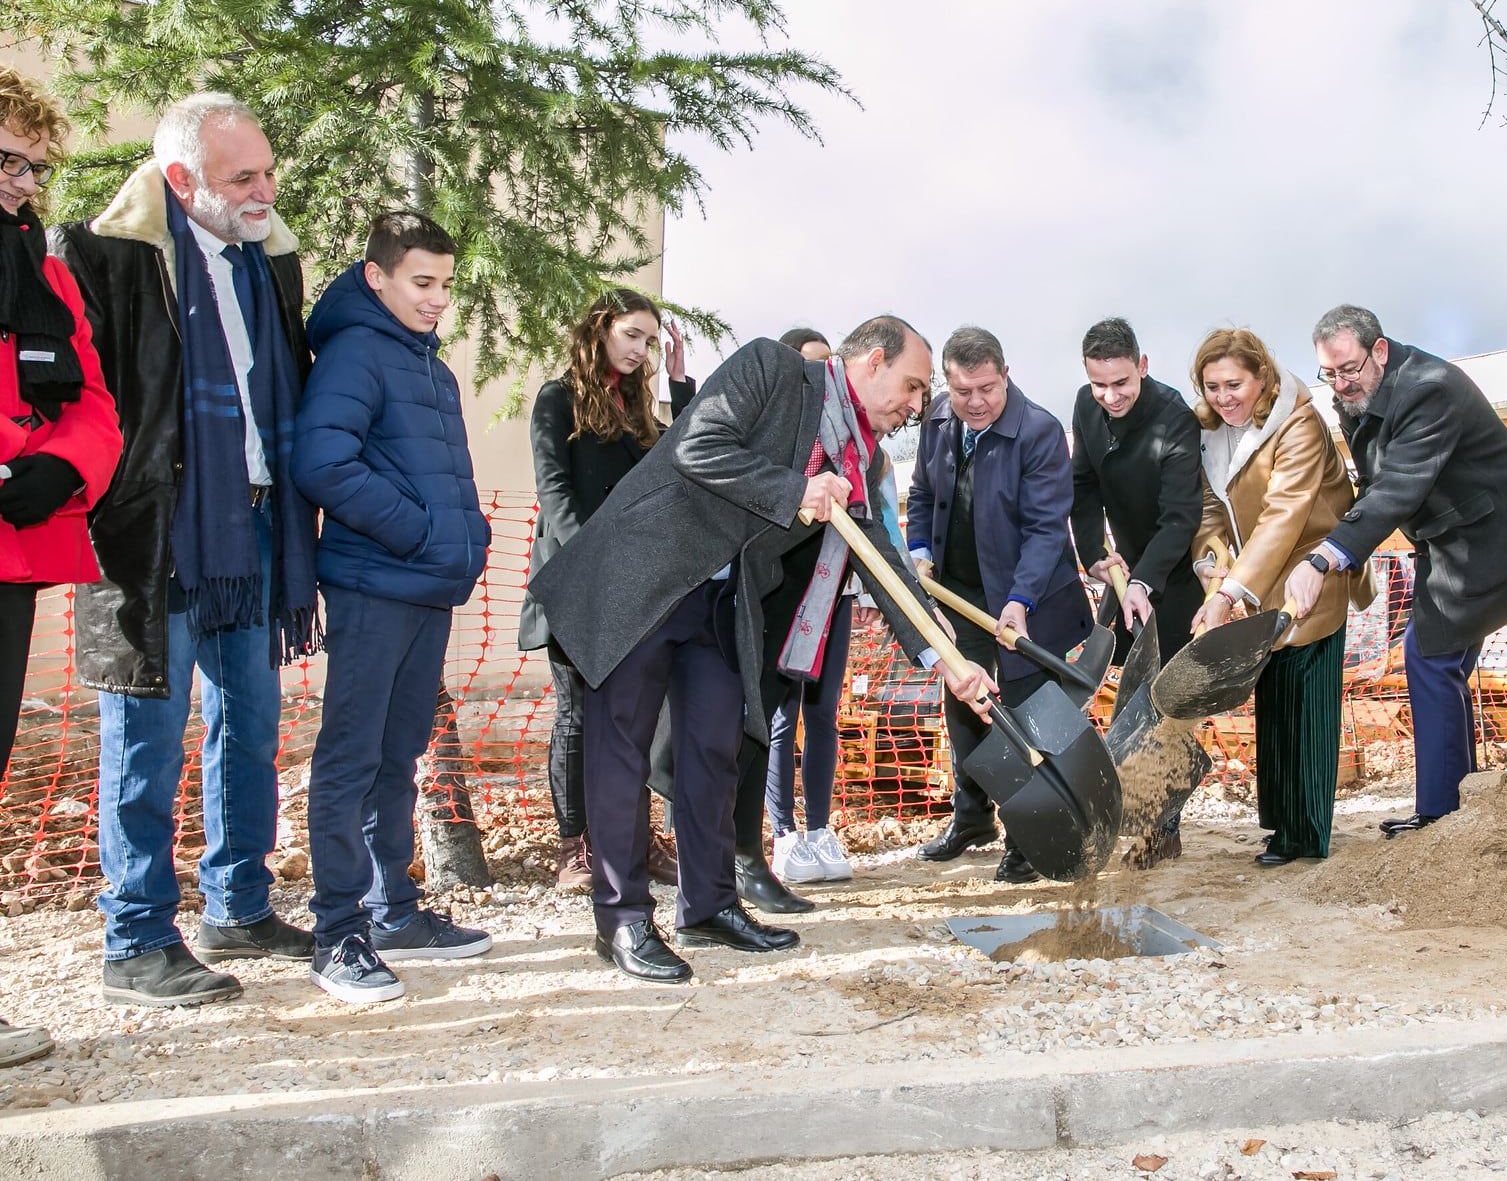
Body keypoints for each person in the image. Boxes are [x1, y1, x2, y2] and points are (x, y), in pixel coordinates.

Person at [530, 316, 993, 983]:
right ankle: (622, 918)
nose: (917, 406)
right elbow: (698, 444)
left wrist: (947, 659)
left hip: (720, 602)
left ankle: (709, 903)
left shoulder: (855, 455)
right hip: (646, 575)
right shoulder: (771, 370)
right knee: (621, 750)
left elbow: (882, 560)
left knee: (716, 749)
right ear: (868, 361)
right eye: (913, 385)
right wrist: (793, 490)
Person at [54, 93, 320, 1006]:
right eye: (243, 177)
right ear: (180, 180)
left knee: (249, 727)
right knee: (145, 743)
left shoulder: (267, 264)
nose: (265, 191)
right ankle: (135, 938)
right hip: (154, 531)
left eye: (268, 171)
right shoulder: (103, 259)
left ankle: (239, 903)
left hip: (248, 529)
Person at [289, 211, 493, 1002]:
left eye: (445, 284)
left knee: (397, 751)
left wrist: (463, 538)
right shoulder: (355, 352)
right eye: (422, 282)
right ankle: (336, 931)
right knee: (351, 754)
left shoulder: (430, 368)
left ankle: (392, 911)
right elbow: (323, 461)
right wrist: (417, 532)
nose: (437, 299)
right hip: (374, 584)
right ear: (377, 277)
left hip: (425, 588)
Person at [1285, 306, 1507, 836]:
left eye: (1349, 369)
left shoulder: (1430, 387)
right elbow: (1372, 478)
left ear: (1379, 350)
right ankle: (1458, 802)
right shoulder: (1360, 394)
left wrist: (1326, 557)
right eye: (1329, 374)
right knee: (1438, 660)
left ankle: (1442, 814)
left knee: (1428, 657)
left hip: (1489, 541)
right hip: (1445, 541)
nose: (1340, 384)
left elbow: (1399, 485)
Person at [0, 67, 119, 1063]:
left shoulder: (45, 271)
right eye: (6, 159)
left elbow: (92, 405)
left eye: (35, 167)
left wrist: (59, 467)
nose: (22, 181)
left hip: (13, 546)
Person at [520, 290, 695, 893]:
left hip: (631, 588)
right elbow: (555, 494)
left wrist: (678, 382)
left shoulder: (639, 408)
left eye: (648, 341)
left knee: (632, 719)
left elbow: (684, 457)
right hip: (576, 584)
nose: (639, 349)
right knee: (576, 716)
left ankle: (634, 841)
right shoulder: (557, 398)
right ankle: (576, 849)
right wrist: (596, 568)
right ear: (600, 329)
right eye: (631, 335)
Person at [908, 326, 1094, 884]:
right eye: (963, 391)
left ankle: (1027, 834)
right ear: (948, 384)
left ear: (1005, 375)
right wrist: (918, 553)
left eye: (987, 388)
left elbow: (1044, 530)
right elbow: (920, 494)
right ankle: (972, 817)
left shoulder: (1037, 432)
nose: (976, 402)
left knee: (1024, 713)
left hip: (1027, 594)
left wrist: (1019, 600)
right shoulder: (938, 419)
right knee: (965, 701)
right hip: (958, 592)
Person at [1189, 329, 1369, 866]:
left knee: (1306, 701)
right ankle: (1281, 825)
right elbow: (1211, 512)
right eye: (1212, 386)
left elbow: (1285, 515)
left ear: (1262, 377)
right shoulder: (1212, 432)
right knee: (1273, 704)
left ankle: (1306, 835)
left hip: (1313, 570)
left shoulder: (1298, 423)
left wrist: (1229, 595)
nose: (1224, 397)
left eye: (1234, 384)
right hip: (1256, 576)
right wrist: (1213, 575)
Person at [1069, 317, 1204, 868]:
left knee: (1164, 705)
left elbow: (1180, 518)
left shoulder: (1175, 420)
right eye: (1099, 384)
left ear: (1142, 366)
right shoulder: (1086, 405)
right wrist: (1094, 556)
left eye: (1120, 382)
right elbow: (1082, 485)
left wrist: (1145, 581)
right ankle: (1131, 816)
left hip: (1171, 575)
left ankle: (1162, 831)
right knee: (1125, 697)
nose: (1110, 396)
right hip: (1121, 569)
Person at [760, 325, 862, 891]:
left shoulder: (852, 441)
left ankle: (821, 828)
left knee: (823, 714)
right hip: (787, 592)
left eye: (829, 367)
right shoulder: (778, 436)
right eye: (809, 366)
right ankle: (784, 833)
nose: (820, 378)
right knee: (783, 718)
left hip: (837, 593)